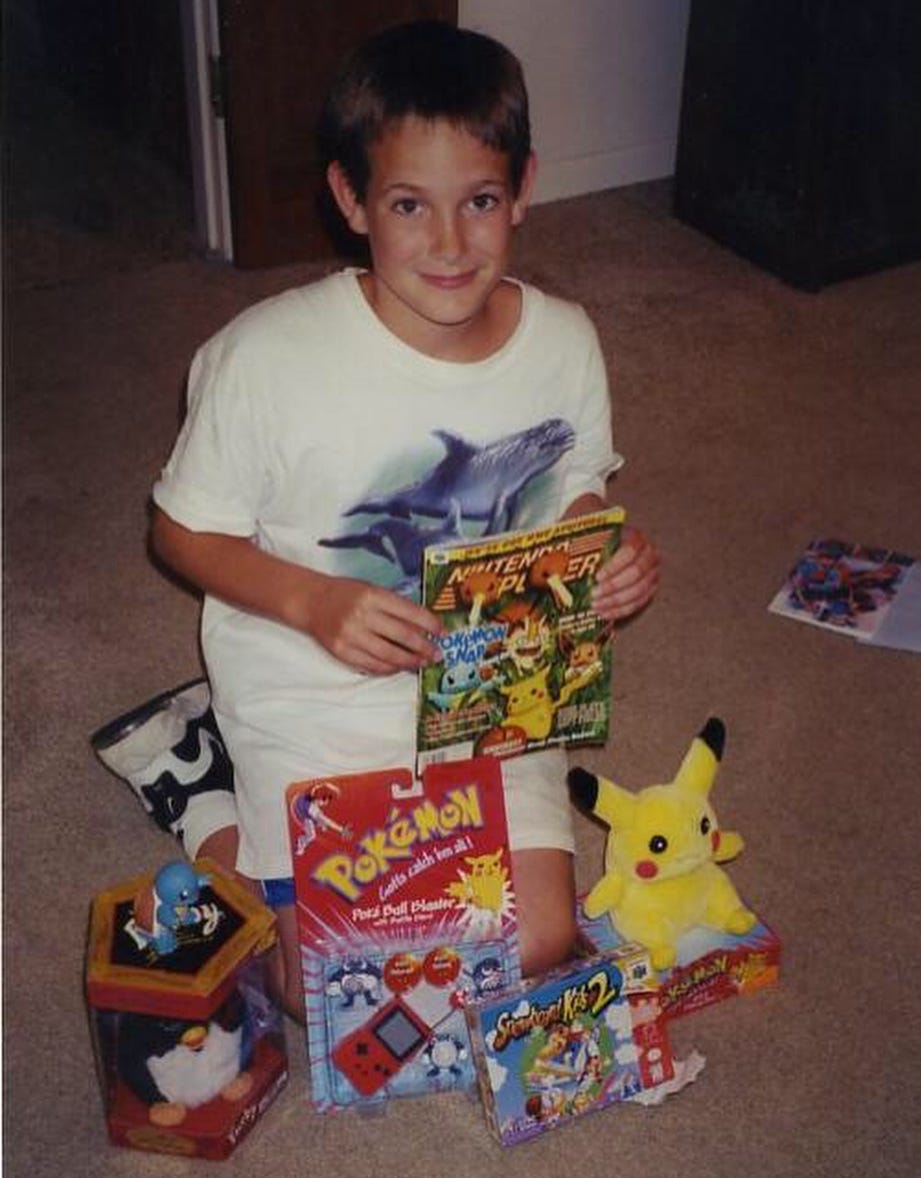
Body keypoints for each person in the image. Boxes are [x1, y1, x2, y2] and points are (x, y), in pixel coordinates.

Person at [93, 20, 659, 1022]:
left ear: (523, 186)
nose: (450, 243)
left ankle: (230, 792)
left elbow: (578, 485)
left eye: (480, 201)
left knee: (534, 940)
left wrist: (600, 547)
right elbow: (178, 532)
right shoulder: (263, 360)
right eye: (410, 205)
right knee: (330, 988)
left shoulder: (568, 341)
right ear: (350, 199)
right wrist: (314, 602)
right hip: (314, 681)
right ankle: (203, 791)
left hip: (492, 688)